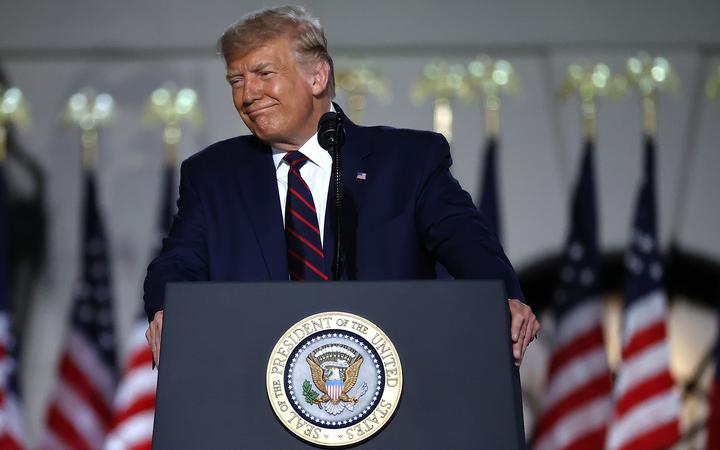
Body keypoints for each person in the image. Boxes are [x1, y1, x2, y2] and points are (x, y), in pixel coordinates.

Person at [144, 5, 539, 367]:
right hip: (255, 382)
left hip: (398, 376)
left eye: (264, 74)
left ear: (317, 76)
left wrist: (504, 297)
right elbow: (179, 260)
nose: (248, 95)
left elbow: (467, 240)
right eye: (236, 80)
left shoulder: (407, 160)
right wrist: (167, 308)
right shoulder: (213, 175)